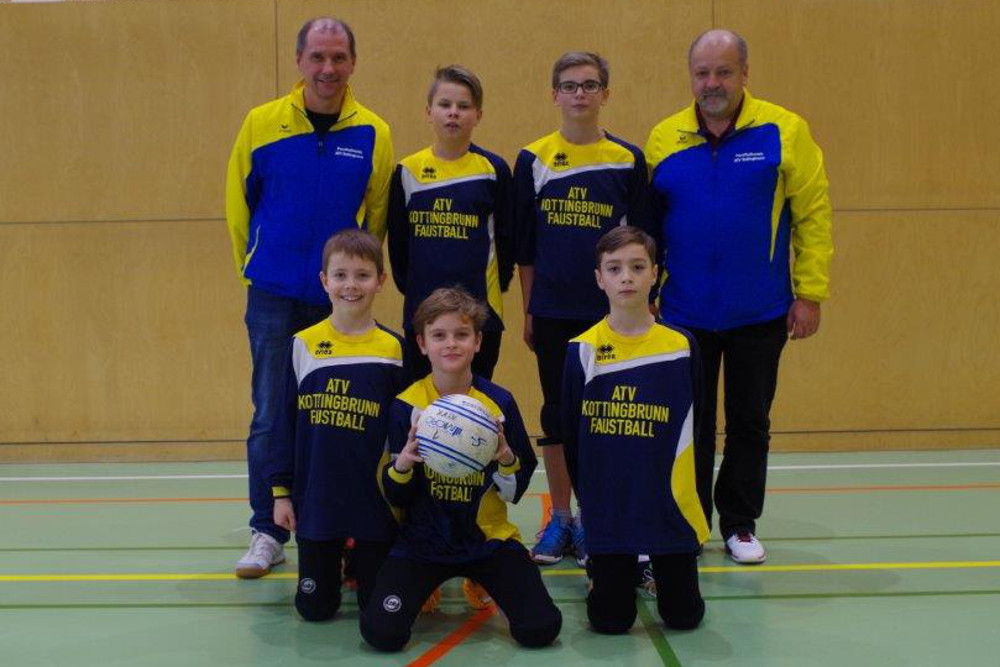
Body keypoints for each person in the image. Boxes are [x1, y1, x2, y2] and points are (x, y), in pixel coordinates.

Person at [644, 29, 833, 564]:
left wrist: (810, 292)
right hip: (683, 313)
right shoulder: (664, 138)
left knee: (750, 421)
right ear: (691, 77)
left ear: (745, 74)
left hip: (761, 309)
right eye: (702, 73)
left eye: (724, 72)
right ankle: (690, 521)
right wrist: (648, 293)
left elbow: (813, 216)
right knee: (691, 424)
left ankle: (740, 523)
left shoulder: (785, 130)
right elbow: (649, 227)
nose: (713, 83)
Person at [224, 17, 394, 577]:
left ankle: (339, 531)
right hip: (273, 295)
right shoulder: (262, 123)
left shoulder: (373, 132)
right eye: (318, 56)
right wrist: (255, 267)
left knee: (339, 417)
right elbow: (238, 203)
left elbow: (375, 217)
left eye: (339, 57)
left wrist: (354, 288)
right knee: (272, 415)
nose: (328, 68)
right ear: (299, 61)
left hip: (337, 303)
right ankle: (267, 531)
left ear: (353, 62)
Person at [360, 288, 562, 651]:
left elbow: (515, 491)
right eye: (439, 335)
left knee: (541, 629)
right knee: (382, 634)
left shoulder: (498, 403)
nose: (451, 343)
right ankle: (429, 583)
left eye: (461, 334)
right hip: (423, 542)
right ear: (422, 343)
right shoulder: (406, 405)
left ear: (478, 341)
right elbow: (396, 495)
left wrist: (505, 458)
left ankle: (481, 580)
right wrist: (403, 464)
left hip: (488, 540)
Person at [513, 51, 650, 566]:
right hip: (553, 310)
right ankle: (561, 519)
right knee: (557, 414)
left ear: (605, 94)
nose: (579, 94)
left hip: (610, 315)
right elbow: (524, 247)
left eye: (590, 85)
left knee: (603, 418)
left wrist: (641, 307)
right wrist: (530, 308)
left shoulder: (627, 159)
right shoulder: (533, 159)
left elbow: (643, 244)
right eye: (569, 86)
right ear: (554, 94)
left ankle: (595, 519)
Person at [562, 226, 708, 632]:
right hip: (610, 506)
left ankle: (654, 570)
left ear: (654, 274)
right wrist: (589, 500)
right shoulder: (582, 350)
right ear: (599, 278)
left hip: (669, 503)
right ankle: (604, 573)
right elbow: (572, 436)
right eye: (614, 268)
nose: (626, 277)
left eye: (637, 267)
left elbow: (700, 425)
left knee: (685, 618)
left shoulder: (682, 346)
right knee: (609, 621)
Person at [262, 229, 404, 620]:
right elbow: (283, 423)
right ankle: (335, 564)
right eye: (340, 275)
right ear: (324, 281)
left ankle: (359, 563)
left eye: (362, 275)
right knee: (315, 609)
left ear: (381, 281)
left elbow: (404, 428)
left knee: (376, 609)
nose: (350, 285)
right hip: (318, 498)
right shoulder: (303, 344)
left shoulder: (394, 349)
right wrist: (281, 493)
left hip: (374, 502)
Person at [387, 65, 513, 382]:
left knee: (474, 402)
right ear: (429, 112)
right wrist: (416, 290)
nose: (453, 113)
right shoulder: (408, 171)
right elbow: (399, 247)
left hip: (481, 314)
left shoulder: (493, 170)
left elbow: (507, 241)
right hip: (421, 313)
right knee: (423, 402)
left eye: (463, 106)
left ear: (478, 115)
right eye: (445, 104)